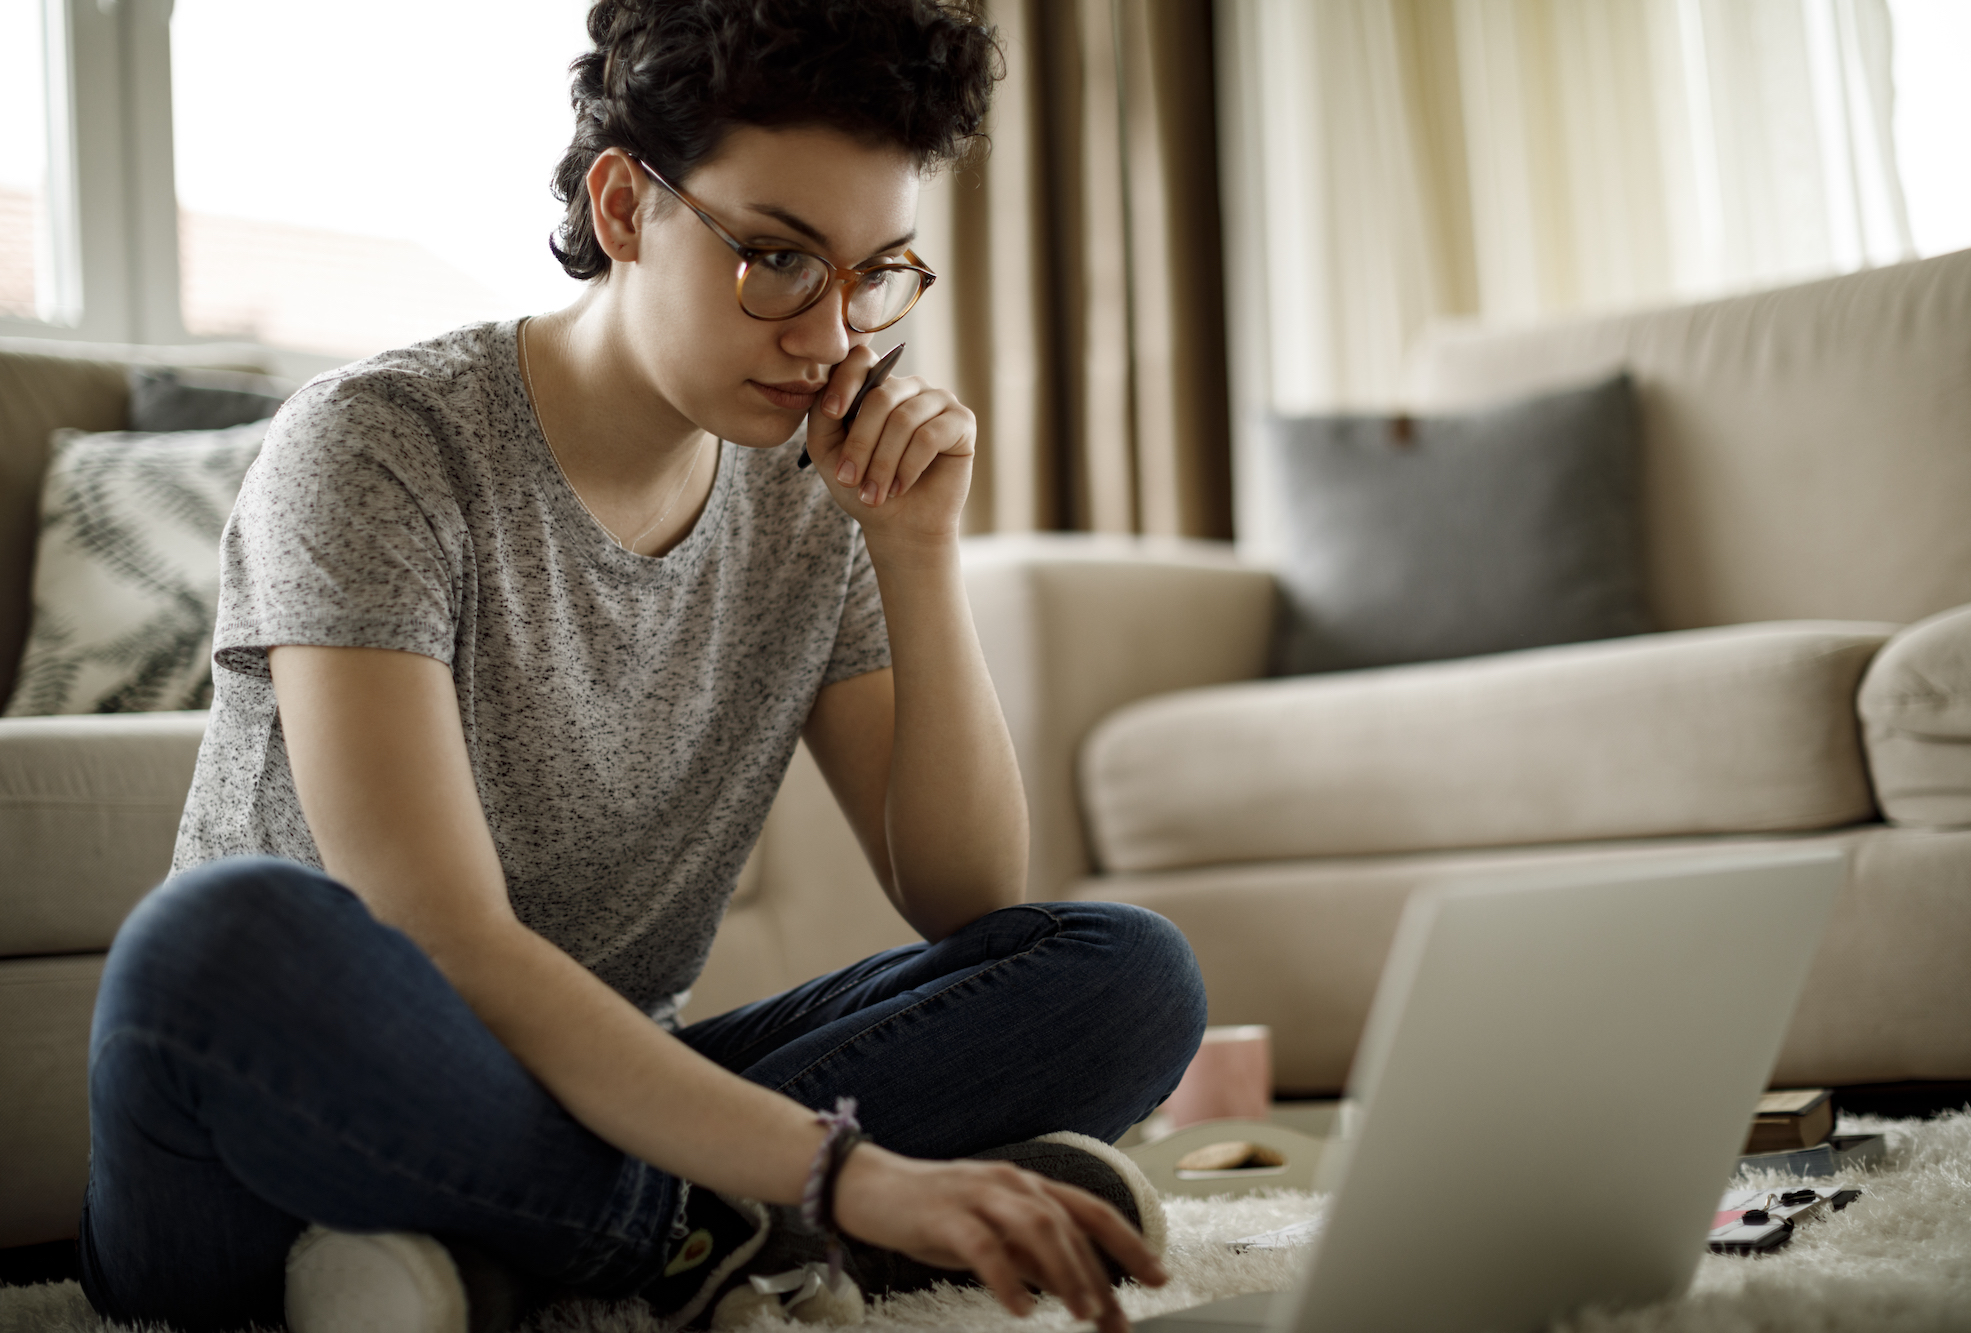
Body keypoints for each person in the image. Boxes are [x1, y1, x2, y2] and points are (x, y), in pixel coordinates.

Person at [77, 2, 1208, 1331]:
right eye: (780, 260)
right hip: (292, 1120)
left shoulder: (808, 489)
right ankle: (705, 1237)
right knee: (214, 942)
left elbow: (968, 895)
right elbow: (444, 937)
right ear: (623, 205)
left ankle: (525, 1257)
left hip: (592, 1097)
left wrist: (914, 550)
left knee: (1127, 974)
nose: (833, 339)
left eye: (875, 273)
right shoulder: (377, 447)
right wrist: (853, 1173)